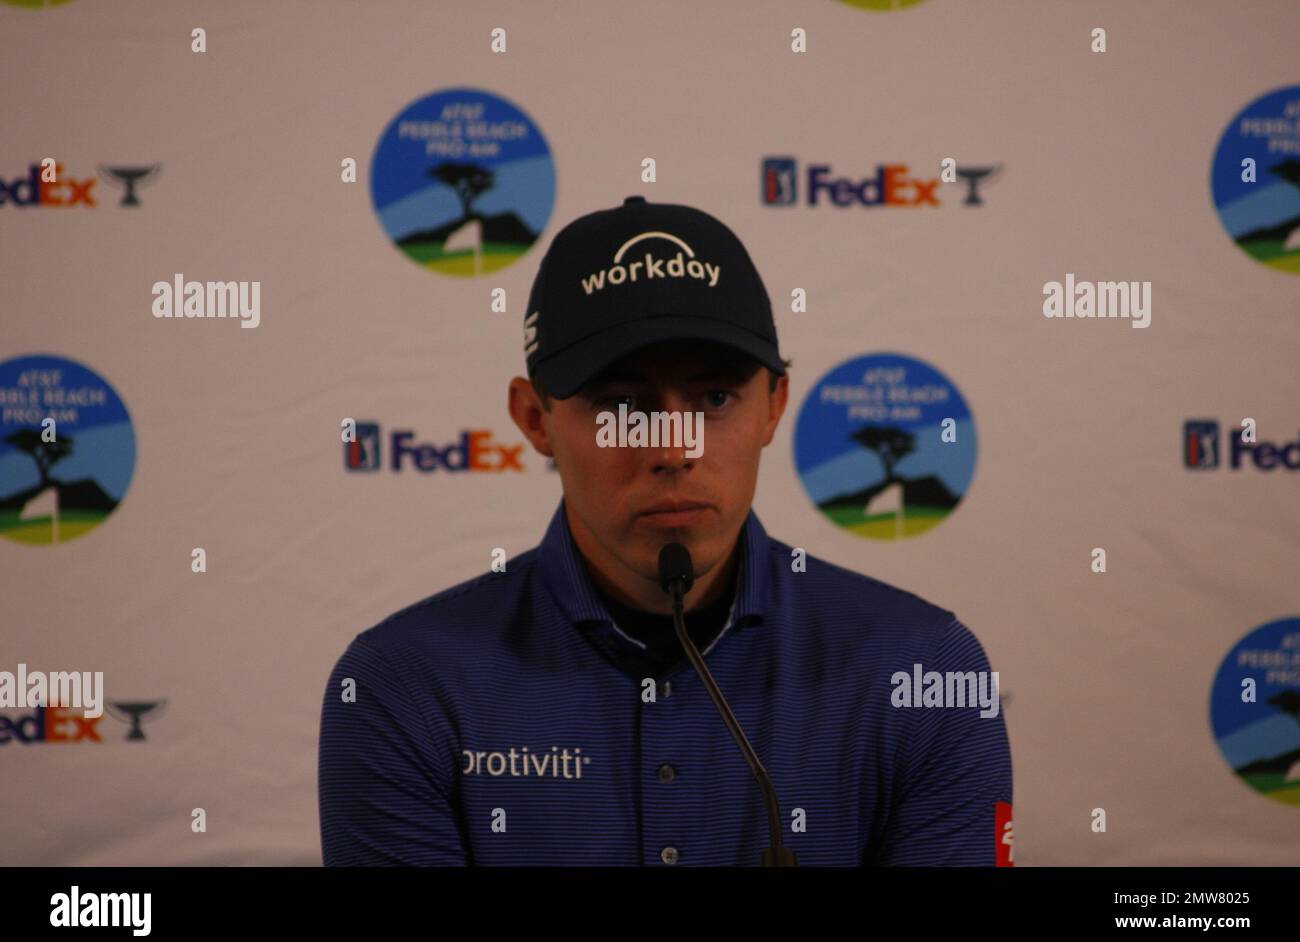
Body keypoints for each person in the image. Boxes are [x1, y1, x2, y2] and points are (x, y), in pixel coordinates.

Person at [318, 196, 1013, 866]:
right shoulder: (402, 688)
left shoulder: (926, 672)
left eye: (714, 398)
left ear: (775, 406)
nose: (673, 447)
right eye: (621, 404)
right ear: (535, 420)